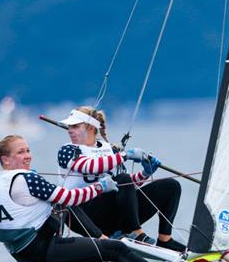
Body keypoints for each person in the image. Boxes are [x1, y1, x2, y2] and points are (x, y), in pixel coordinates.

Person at [0, 134, 182, 262]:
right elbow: (70, 198)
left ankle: (106, 239)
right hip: (43, 251)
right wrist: (100, 186)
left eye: (28, 150)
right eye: (21, 152)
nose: (28, 156)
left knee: (69, 211)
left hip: (25, 255)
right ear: (5, 159)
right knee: (116, 249)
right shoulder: (27, 179)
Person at [56, 106, 185, 251]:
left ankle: (165, 239)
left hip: (113, 215)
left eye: (74, 126)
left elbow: (127, 187)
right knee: (122, 178)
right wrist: (125, 155)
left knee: (170, 186)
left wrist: (145, 173)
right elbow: (90, 167)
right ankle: (136, 232)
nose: (69, 130)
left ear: (91, 127)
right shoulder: (67, 150)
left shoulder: (110, 150)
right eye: (69, 126)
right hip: (84, 215)